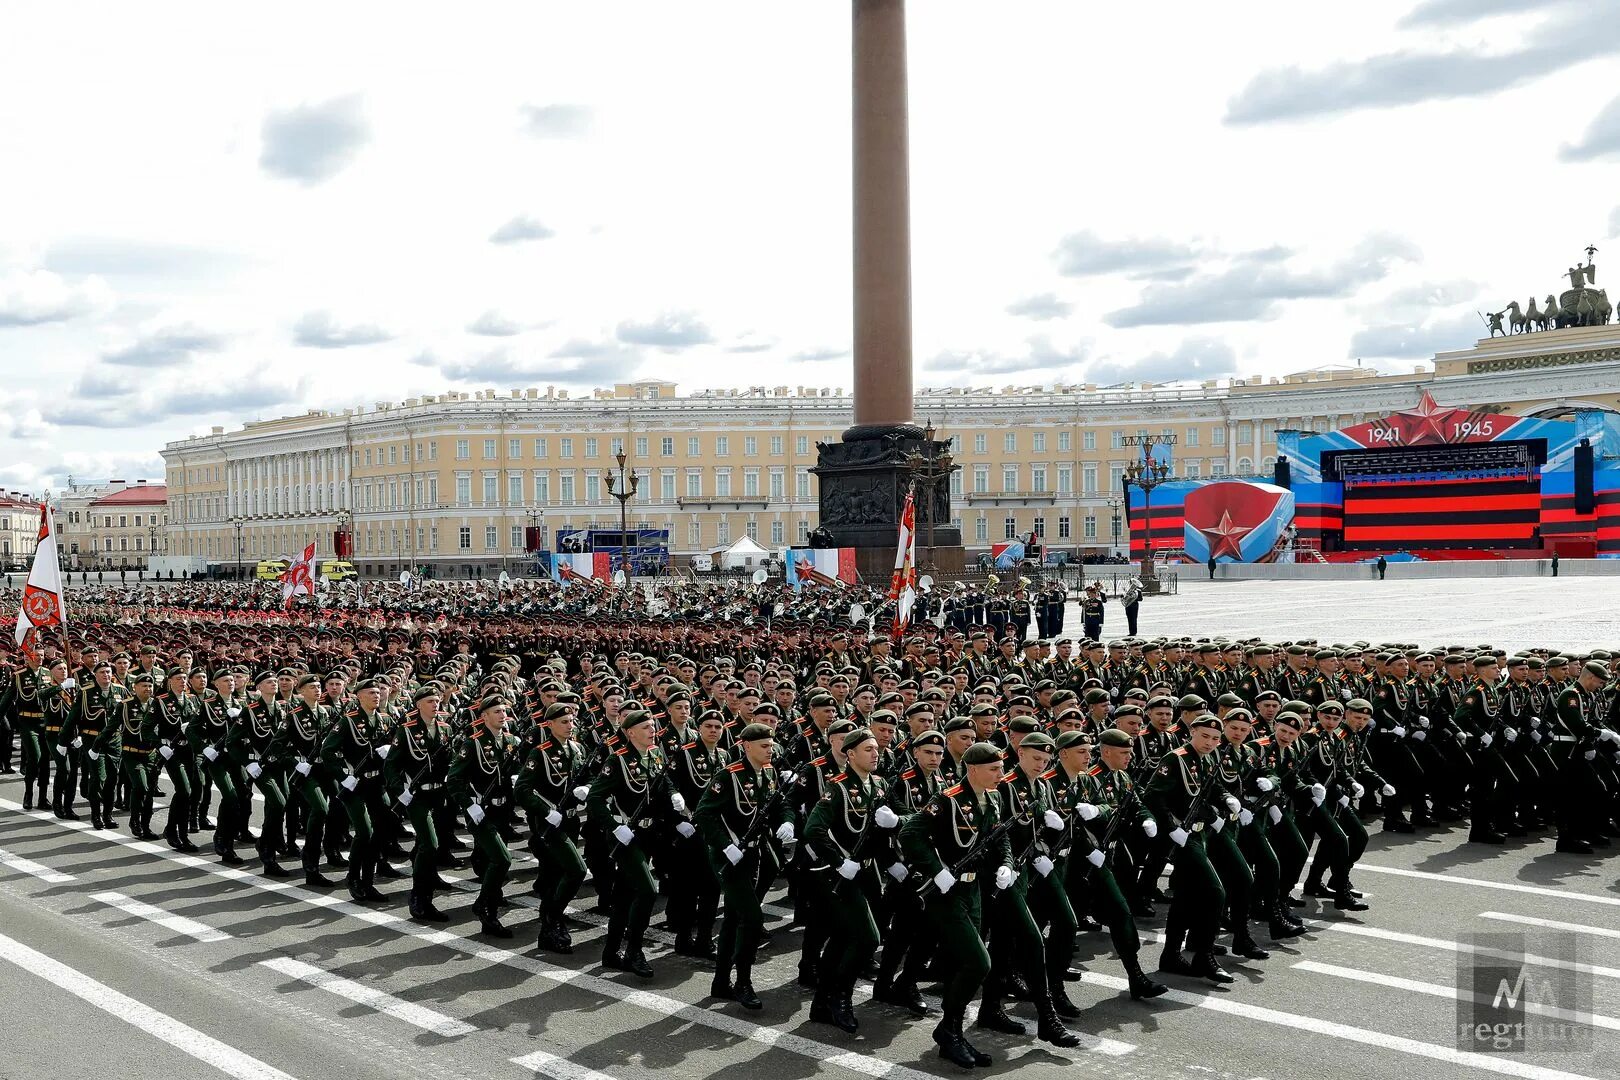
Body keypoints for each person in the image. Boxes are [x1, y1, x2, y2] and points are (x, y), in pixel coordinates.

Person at [900, 740, 1014, 1069]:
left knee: (958, 965)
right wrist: (936, 871)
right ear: (973, 769)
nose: (1000, 774)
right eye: (993, 769)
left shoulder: (991, 797)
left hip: (973, 892)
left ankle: (953, 1033)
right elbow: (910, 834)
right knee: (979, 963)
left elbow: (999, 835)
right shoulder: (947, 800)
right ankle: (948, 1031)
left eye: (1001, 768)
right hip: (946, 894)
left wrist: (1006, 863)